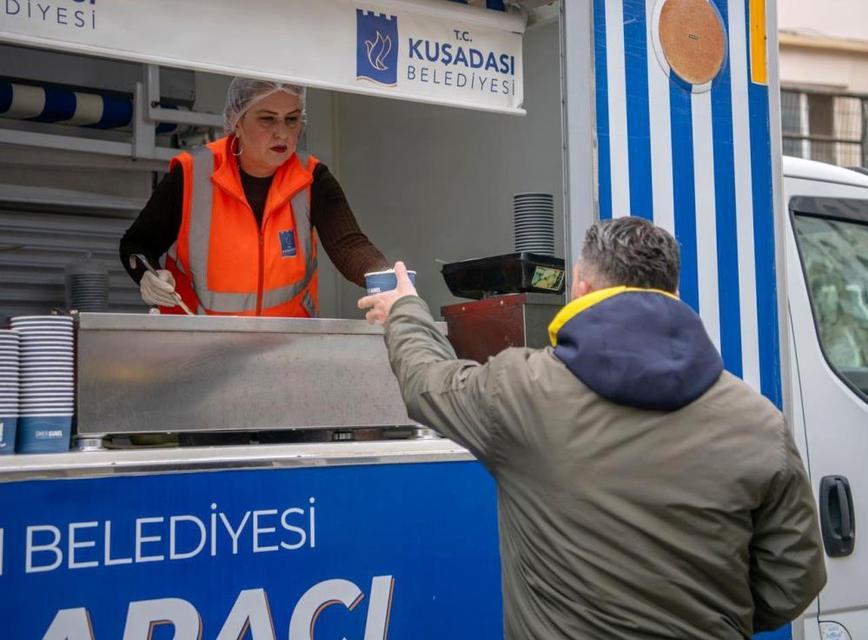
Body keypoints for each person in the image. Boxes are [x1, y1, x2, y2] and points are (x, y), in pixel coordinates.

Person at [358, 217, 826, 639]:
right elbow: (792, 581)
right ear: (675, 294)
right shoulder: (759, 422)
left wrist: (405, 310)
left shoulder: (521, 391)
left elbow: (426, 382)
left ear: (579, 288)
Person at [120, 78, 387, 316]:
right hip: (198, 347)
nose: (282, 132)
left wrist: (390, 280)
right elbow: (137, 244)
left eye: (292, 119)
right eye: (267, 119)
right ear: (237, 121)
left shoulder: (312, 178)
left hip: (283, 350)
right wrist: (148, 274)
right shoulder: (192, 174)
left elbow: (349, 246)